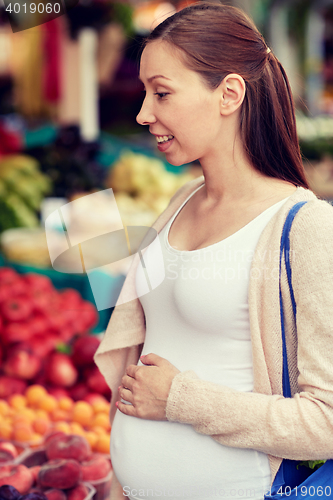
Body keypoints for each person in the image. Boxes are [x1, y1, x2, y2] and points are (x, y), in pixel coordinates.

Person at [94, 2, 333, 500]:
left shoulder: (305, 227)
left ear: (228, 94)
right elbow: (143, 357)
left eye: (161, 93)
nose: (142, 114)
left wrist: (183, 399)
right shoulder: (180, 203)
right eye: (144, 93)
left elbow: (325, 423)